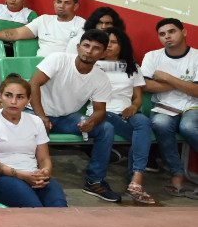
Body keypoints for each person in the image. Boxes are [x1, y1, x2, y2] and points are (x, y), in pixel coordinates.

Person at [31, 29, 117, 201]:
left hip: (66, 118)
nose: (89, 51)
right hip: (34, 112)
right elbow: (34, 84)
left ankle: (94, 181)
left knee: (106, 128)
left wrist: (91, 122)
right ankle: (32, 178)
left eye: (96, 48)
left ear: (103, 53)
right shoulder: (58, 59)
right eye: (86, 45)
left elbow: (100, 110)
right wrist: (41, 116)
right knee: (37, 127)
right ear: (78, 47)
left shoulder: (101, 77)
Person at [0, 76, 64, 207]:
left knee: (59, 206)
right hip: (2, 178)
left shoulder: (36, 121)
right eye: (8, 95)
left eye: (20, 97)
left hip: (33, 174)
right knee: (34, 207)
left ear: (28, 100)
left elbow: (44, 159)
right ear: (0, 96)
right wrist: (22, 175)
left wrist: (44, 173)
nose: (13, 101)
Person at [93, 29, 157, 204]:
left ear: (122, 45)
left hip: (126, 112)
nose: (109, 46)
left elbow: (138, 97)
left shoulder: (131, 66)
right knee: (141, 133)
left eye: (113, 42)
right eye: (106, 42)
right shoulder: (94, 65)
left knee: (143, 123)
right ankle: (135, 179)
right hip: (102, 112)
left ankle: (136, 176)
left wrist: (134, 106)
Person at [140, 17, 198, 199]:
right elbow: (145, 86)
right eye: (162, 34)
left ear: (184, 32)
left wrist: (167, 78)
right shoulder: (152, 56)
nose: (167, 36)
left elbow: (196, 92)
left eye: (172, 31)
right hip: (164, 106)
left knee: (188, 127)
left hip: (193, 106)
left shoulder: (196, 56)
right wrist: (184, 84)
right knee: (160, 124)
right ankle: (177, 174)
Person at [0, 0, 85, 56]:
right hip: (39, 65)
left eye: (67, 3)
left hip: (63, 68)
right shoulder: (44, 20)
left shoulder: (81, 25)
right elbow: (16, 33)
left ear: (75, 6)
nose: (61, 6)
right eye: (59, 2)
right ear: (54, 3)